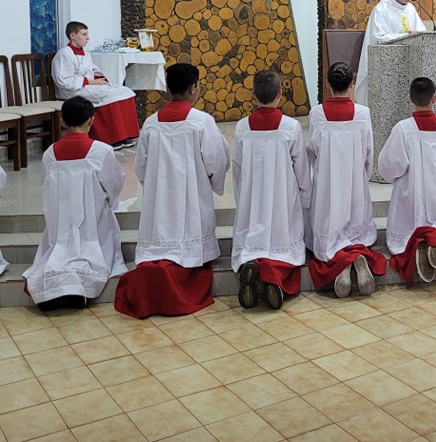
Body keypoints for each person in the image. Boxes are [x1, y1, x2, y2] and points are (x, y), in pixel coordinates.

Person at [114, 63, 230, 318]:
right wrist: (211, 181)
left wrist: (158, 184)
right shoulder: (202, 122)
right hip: (193, 198)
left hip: (161, 200)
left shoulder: (152, 124)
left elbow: (141, 165)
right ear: (193, 88)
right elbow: (218, 160)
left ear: (168, 89)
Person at [23, 97, 126, 310]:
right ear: (91, 120)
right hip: (93, 222)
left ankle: (55, 287)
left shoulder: (50, 154)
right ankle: (77, 288)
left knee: (58, 251)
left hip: (60, 222)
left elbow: (47, 189)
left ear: (62, 121)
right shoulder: (101, 151)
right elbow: (114, 185)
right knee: (91, 250)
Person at [231, 70, 310, 311]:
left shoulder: (243, 127)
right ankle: (273, 276)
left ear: (253, 95)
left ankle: (251, 267)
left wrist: (242, 197)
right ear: (280, 94)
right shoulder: (291, 126)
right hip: (282, 198)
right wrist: (305, 196)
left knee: (250, 240)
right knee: (285, 248)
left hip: (252, 198)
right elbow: (302, 167)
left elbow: (237, 167)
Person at [305, 63, 385, 297]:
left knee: (326, 239)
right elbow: (369, 151)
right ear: (352, 84)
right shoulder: (363, 113)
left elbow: (312, 150)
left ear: (327, 84)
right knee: (357, 231)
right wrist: (362, 177)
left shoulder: (317, 114)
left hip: (328, 185)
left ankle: (341, 265)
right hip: (354, 184)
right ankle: (354, 258)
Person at [379, 77, 436, 285]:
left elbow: (389, 167)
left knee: (405, 234)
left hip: (411, 195)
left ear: (409, 99)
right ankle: (435, 241)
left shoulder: (403, 129)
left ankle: (417, 246)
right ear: (435, 98)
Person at [50, 21, 140, 148]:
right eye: (84, 34)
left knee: (124, 91)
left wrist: (101, 79)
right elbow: (63, 80)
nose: (88, 38)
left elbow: (92, 69)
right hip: (72, 90)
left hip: (88, 86)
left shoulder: (85, 53)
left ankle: (125, 134)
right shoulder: (64, 54)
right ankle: (111, 138)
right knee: (108, 95)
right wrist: (91, 82)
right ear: (73, 36)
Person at [355, 0, 426, 104]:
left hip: (410, 65)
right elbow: (379, 38)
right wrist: (406, 36)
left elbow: (421, 33)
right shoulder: (381, 10)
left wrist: (415, 34)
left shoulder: (411, 9)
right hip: (386, 68)